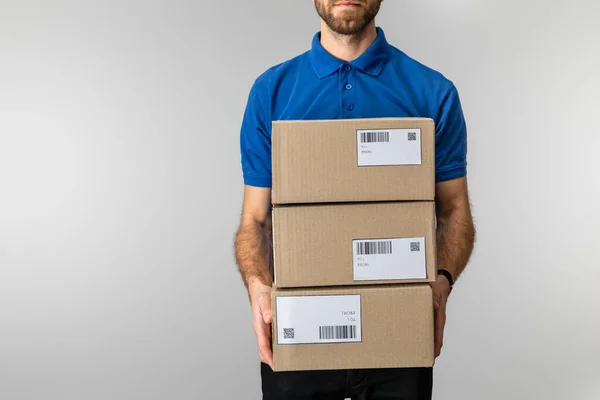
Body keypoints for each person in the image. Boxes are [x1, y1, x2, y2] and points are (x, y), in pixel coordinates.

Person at [234, 1, 476, 398]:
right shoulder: (271, 91)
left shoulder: (432, 92)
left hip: (397, 331)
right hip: (301, 330)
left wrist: (441, 284)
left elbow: (454, 209)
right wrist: (259, 288)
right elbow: (255, 219)